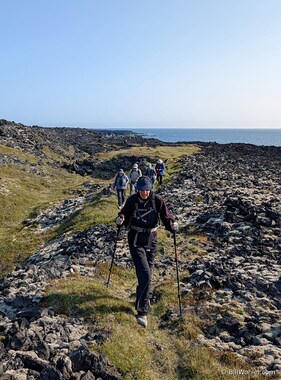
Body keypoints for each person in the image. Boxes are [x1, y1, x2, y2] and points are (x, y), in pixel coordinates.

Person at [115, 176, 179, 328]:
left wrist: (172, 225)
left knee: (148, 272)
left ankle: (144, 297)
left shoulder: (157, 200)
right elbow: (123, 214)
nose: (144, 193)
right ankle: (142, 311)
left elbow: (166, 217)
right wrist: (120, 219)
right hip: (135, 240)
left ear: (151, 188)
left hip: (152, 239)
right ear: (138, 189)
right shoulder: (131, 200)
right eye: (142, 190)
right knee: (145, 274)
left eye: (147, 189)